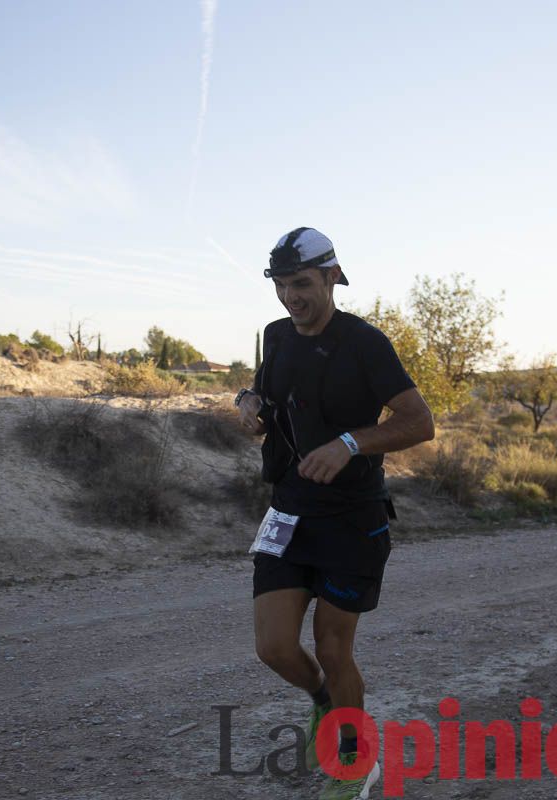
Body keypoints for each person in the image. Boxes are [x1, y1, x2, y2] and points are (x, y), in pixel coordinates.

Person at [235, 227, 435, 799]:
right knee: (272, 647)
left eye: (301, 283)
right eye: (280, 284)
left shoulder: (365, 343)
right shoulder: (275, 336)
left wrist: (349, 443)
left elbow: (419, 422)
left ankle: (355, 761)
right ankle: (324, 702)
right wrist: (248, 405)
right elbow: (265, 397)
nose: (290, 296)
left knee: (332, 646)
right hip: (288, 512)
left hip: (352, 518)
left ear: (331, 277)